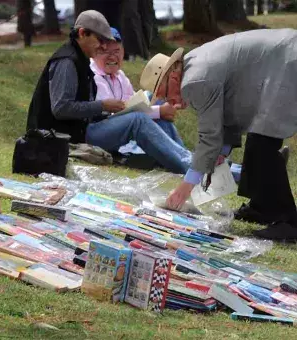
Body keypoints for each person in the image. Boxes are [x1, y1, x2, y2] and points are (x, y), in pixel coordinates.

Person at [140, 29, 297, 241]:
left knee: (263, 143)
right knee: (257, 138)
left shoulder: (194, 82)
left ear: (174, 76)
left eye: (166, 94)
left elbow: (209, 136)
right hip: (281, 58)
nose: (171, 103)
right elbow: (228, 114)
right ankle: (263, 207)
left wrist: (185, 188)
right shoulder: (193, 69)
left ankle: (289, 222)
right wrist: (221, 151)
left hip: (287, 62)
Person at [90, 27, 242, 180]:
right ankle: (189, 162)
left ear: (123, 50)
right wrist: (158, 111)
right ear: (94, 53)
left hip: (117, 129)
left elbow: (130, 106)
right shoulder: (94, 76)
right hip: (96, 130)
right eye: (105, 52)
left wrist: (157, 108)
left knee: (152, 103)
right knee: (139, 119)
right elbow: (116, 116)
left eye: (116, 51)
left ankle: (183, 155)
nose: (112, 56)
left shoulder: (120, 75)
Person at [26, 10, 125, 143]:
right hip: (55, 138)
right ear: (82, 33)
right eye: (100, 40)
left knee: (136, 119)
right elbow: (61, 108)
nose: (104, 46)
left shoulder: (81, 59)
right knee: (137, 121)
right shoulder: (67, 61)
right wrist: (102, 106)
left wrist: (106, 112)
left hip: (76, 132)